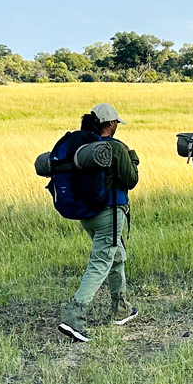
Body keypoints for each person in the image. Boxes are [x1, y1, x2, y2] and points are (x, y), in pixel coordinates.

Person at [57, 103, 139, 343]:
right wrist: (133, 161)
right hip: (110, 213)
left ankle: (121, 308)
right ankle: (74, 317)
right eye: (116, 123)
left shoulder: (82, 147)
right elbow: (131, 180)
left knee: (116, 255)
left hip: (87, 214)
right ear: (111, 124)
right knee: (100, 262)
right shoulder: (116, 147)